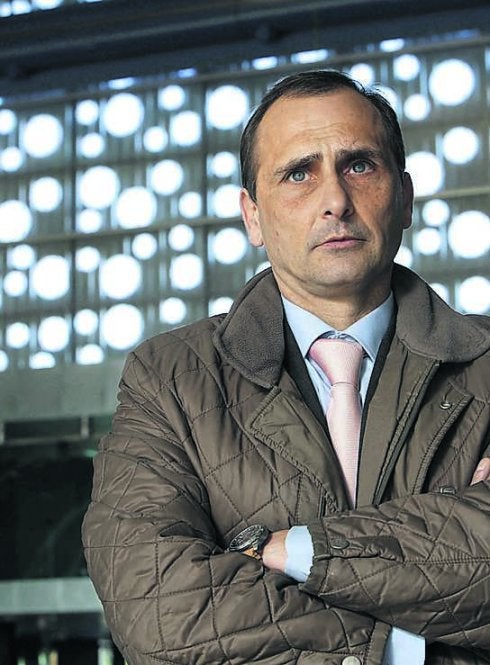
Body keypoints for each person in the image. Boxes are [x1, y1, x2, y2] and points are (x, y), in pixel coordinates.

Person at [82, 70, 490, 665]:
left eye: (359, 165)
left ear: (404, 197)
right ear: (252, 215)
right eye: (299, 173)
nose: (335, 201)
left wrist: (292, 551)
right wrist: (406, 650)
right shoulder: (170, 379)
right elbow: (158, 612)